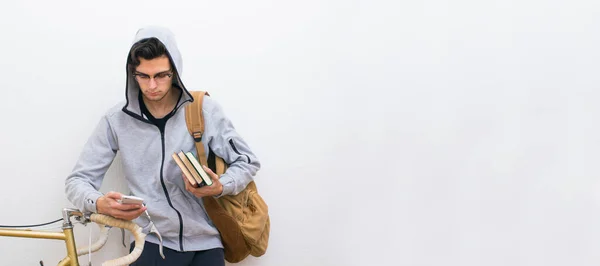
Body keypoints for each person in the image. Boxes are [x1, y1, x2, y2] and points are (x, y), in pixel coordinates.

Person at [64, 26, 261, 265]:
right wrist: (99, 203)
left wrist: (220, 186)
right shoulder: (116, 121)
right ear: (132, 73)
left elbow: (247, 161)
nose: (152, 85)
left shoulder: (204, 110)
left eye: (161, 75)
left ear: (175, 71)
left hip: (207, 242)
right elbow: (77, 181)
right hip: (151, 242)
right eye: (143, 76)